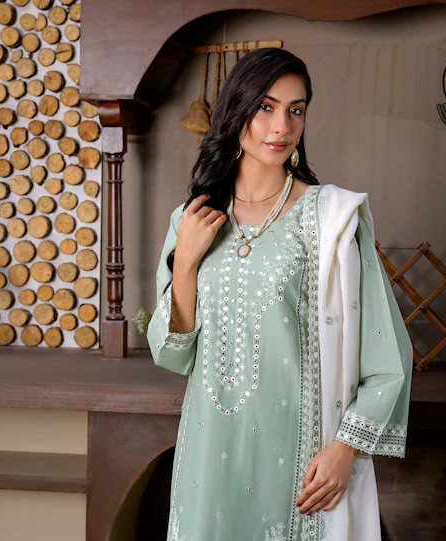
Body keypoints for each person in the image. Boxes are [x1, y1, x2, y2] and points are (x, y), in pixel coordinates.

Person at [146, 47, 413, 541]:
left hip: (302, 457)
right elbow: (171, 353)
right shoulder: (192, 220)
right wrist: (185, 261)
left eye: (296, 109)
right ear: (237, 110)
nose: (281, 126)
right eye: (266, 107)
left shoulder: (331, 219)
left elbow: (388, 353)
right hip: (209, 454)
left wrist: (345, 450)